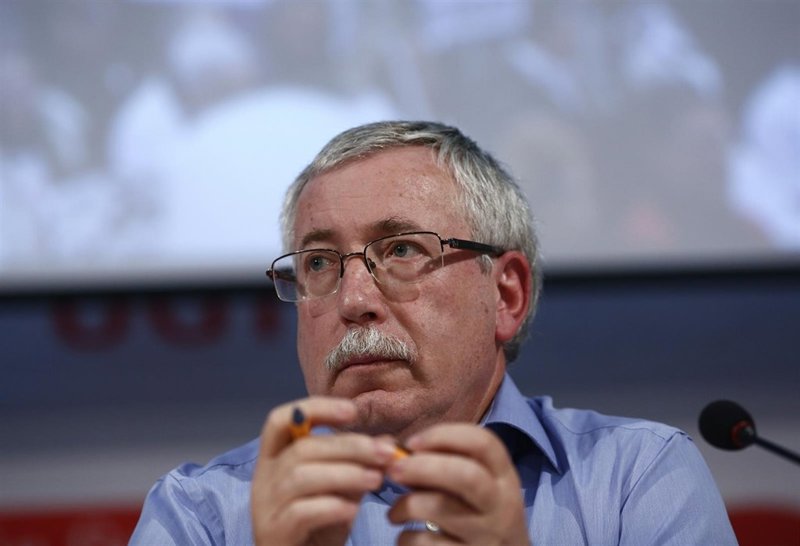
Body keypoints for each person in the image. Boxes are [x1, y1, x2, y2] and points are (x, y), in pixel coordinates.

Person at [130, 120, 737, 545]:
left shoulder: (636, 479)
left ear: (506, 294)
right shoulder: (201, 516)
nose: (354, 300)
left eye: (401, 250)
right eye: (318, 262)